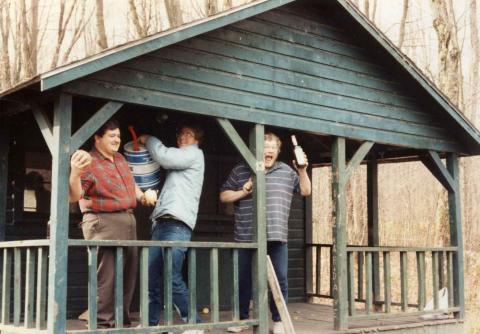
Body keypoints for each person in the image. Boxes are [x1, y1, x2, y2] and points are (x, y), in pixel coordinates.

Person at [220, 132, 311, 334]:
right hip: (246, 235)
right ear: (256, 149)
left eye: (272, 147)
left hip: (277, 235)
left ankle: (278, 321)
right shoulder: (241, 170)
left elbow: (305, 191)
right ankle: (242, 319)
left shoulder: (287, 171)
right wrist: (243, 192)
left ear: (278, 151)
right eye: (264, 146)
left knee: (280, 280)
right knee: (242, 280)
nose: (268, 150)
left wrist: (303, 170)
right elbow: (224, 196)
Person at [69, 119, 153, 328]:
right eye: (111, 136)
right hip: (103, 223)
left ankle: (120, 322)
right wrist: (75, 173)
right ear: (97, 138)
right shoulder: (87, 160)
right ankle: (102, 324)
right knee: (106, 277)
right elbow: (74, 196)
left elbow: (132, 186)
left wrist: (143, 196)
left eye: (118, 136)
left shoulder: (121, 159)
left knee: (128, 275)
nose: (117, 139)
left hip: (127, 221)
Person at [138, 124, 205, 334]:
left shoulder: (194, 154)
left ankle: (194, 324)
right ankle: (151, 324)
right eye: (180, 133)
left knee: (170, 275)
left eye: (189, 133)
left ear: (197, 140)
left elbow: (164, 156)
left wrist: (149, 138)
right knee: (151, 275)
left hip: (177, 224)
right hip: (162, 223)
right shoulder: (183, 158)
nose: (183, 137)